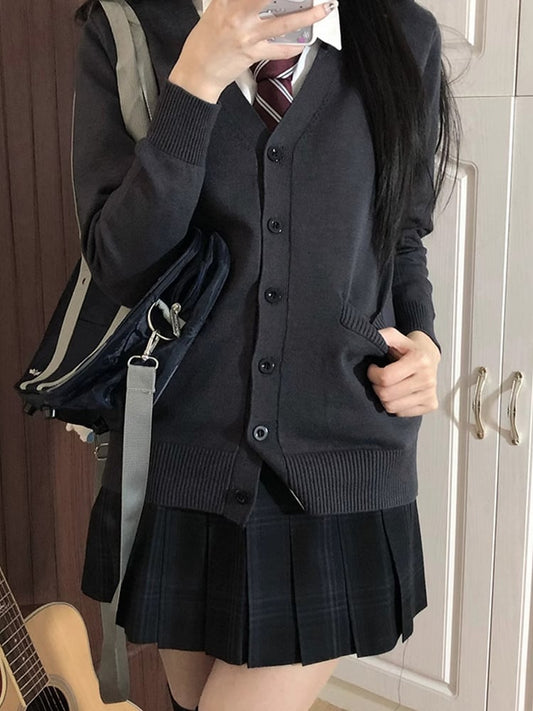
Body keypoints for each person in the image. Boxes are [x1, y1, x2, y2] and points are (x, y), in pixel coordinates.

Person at [71, 0, 460, 709]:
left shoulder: (403, 36)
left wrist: (425, 339)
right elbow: (120, 265)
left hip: (339, 453)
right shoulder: (130, 28)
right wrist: (195, 81)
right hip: (185, 453)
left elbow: (401, 233)